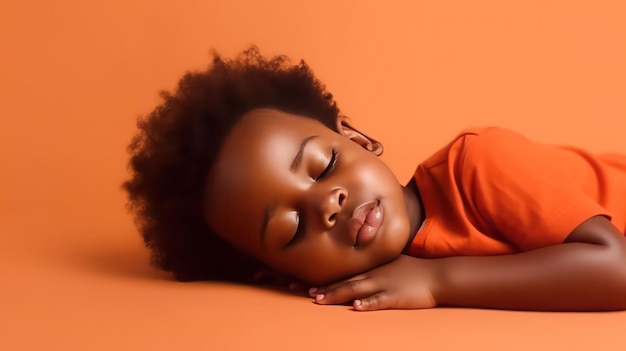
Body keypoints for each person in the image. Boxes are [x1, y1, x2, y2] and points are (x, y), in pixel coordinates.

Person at [123, 46, 626, 312]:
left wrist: (436, 282)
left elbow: (615, 268)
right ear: (280, 276)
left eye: (323, 166)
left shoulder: (479, 162)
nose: (328, 203)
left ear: (357, 138)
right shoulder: (382, 281)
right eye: (292, 229)